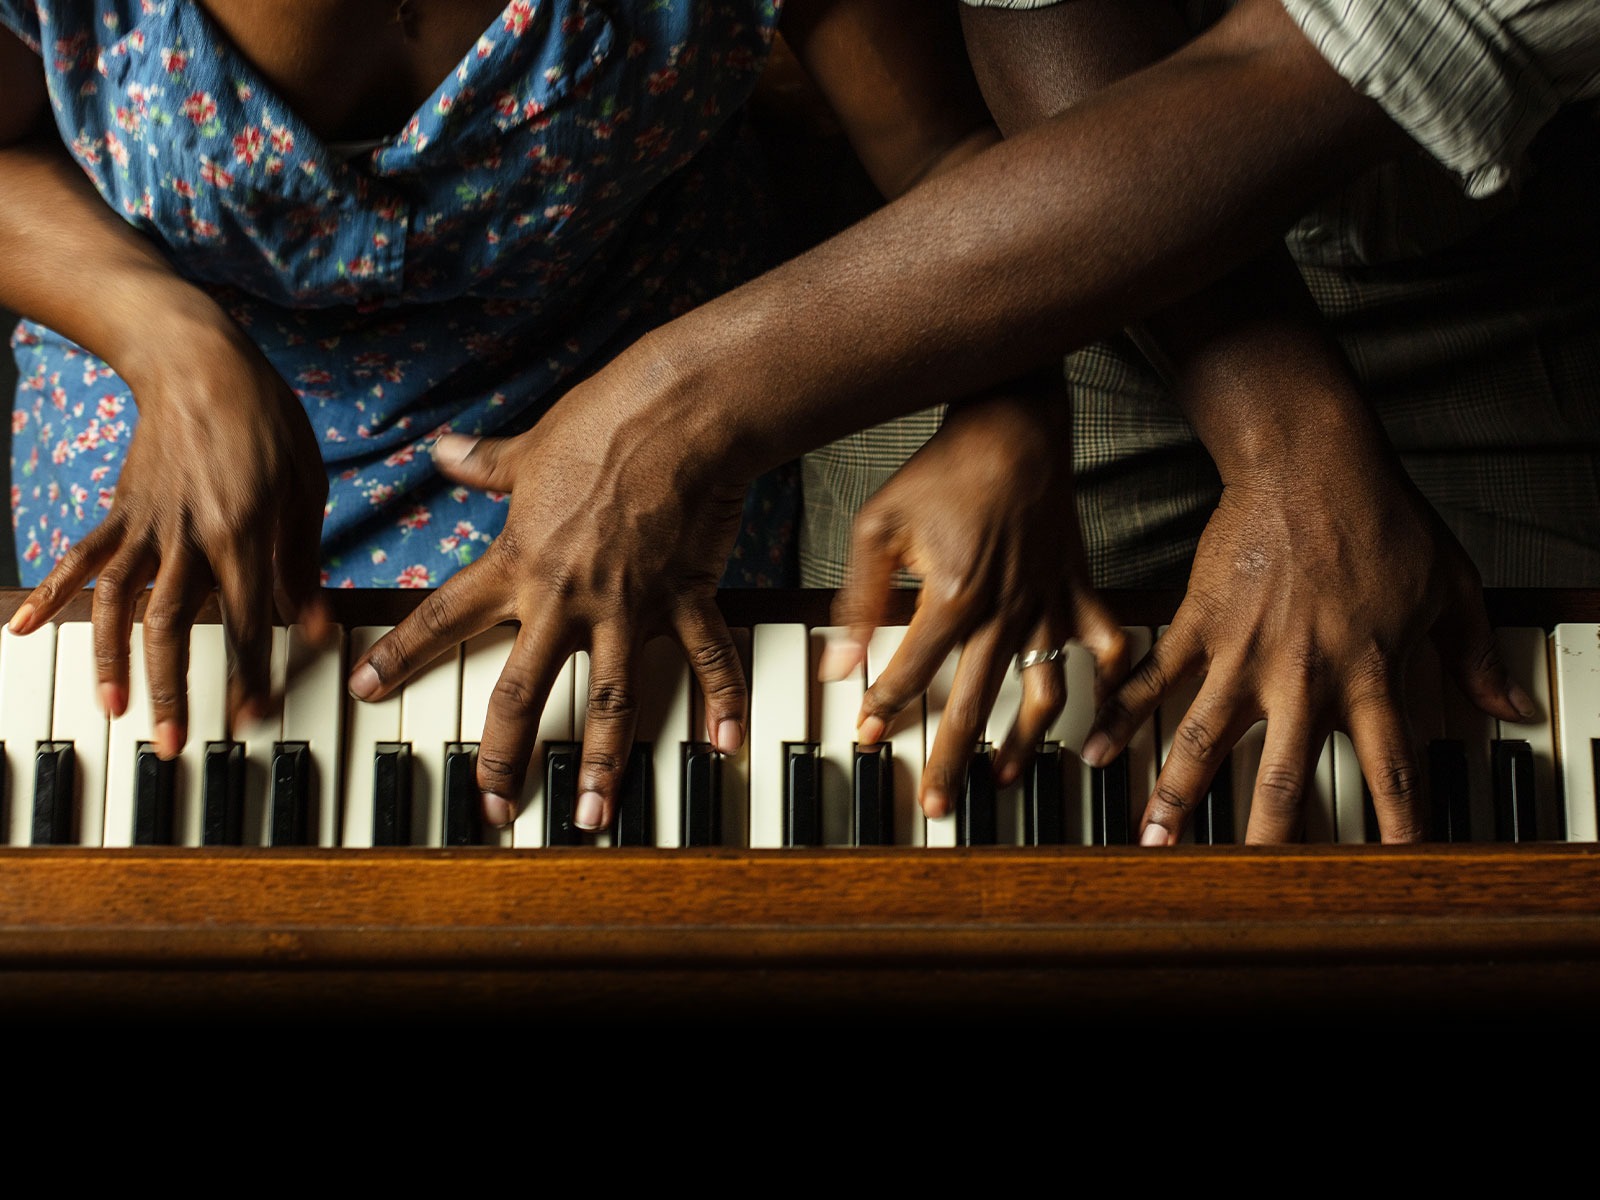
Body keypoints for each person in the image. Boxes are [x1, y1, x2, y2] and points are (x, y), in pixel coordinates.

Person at [331, 0, 1596, 844]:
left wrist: (668, 411)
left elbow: (1297, 70)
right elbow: (1037, 9)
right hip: (1050, 195)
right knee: (910, 803)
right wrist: (1274, 439)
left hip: (1494, 238)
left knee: (1488, 764)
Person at [2, 1, 1121, 834]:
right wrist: (163, 340)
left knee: (616, 860)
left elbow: (941, 152)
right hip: (169, 393)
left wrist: (1012, 406)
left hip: (636, 406)